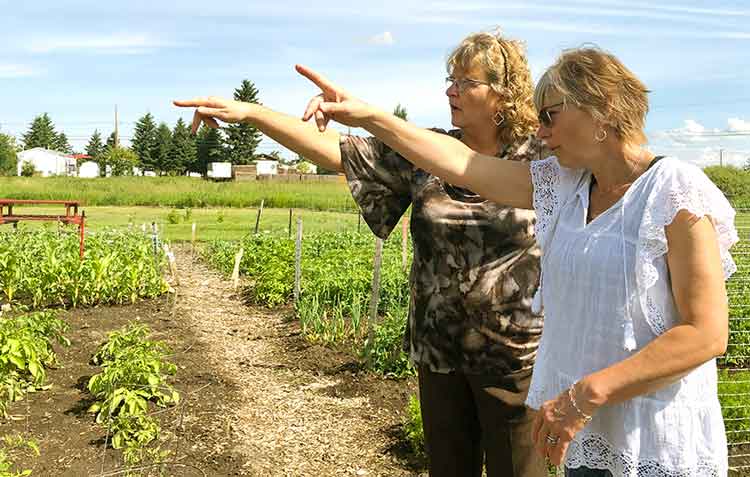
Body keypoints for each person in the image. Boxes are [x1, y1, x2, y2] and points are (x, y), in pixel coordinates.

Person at [297, 46, 738, 476]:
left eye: (550, 115)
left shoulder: (674, 190)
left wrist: (588, 393)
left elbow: (706, 333)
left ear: (600, 108)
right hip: (589, 438)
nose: (541, 132)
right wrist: (371, 117)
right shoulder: (567, 186)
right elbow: (461, 163)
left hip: (656, 443)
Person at [175, 31, 549, 477]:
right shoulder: (421, 152)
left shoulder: (543, 159)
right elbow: (338, 151)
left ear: (504, 92)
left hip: (515, 361)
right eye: (450, 79)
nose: (451, 90)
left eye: (467, 82)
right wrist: (252, 114)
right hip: (439, 354)